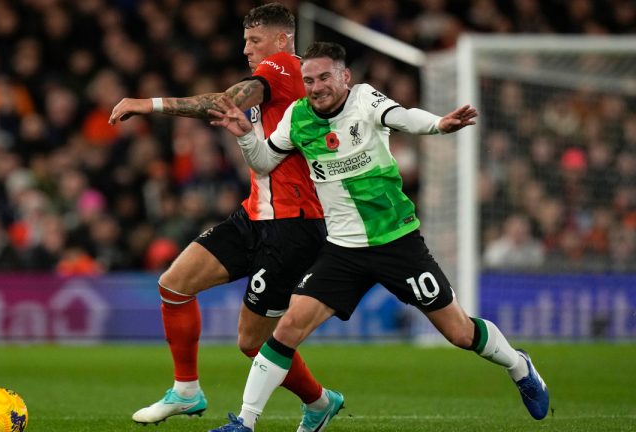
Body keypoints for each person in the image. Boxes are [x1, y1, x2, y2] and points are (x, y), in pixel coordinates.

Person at [208, 42, 550, 432]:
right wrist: (246, 136)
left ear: (344, 77)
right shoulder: (297, 116)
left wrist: (438, 124)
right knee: (286, 330)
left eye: (324, 77)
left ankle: (519, 365)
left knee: (459, 332)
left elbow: (403, 117)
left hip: (396, 242)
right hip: (342, 250)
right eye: (309, 80)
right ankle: (245, 423)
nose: (316, 86)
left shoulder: (364, 100)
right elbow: (265, 161)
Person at [108, 4, 342, 430]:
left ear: (282, 40)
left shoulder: (285, 67)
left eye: (254, 40)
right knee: (175, 284)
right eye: (245, 40)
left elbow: (224, 101)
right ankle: (186, 391)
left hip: (294, 225)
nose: (245, 48)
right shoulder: (274, 74)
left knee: (252, 343)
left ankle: (320, 401)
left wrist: (149, 103)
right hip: (255, 214)